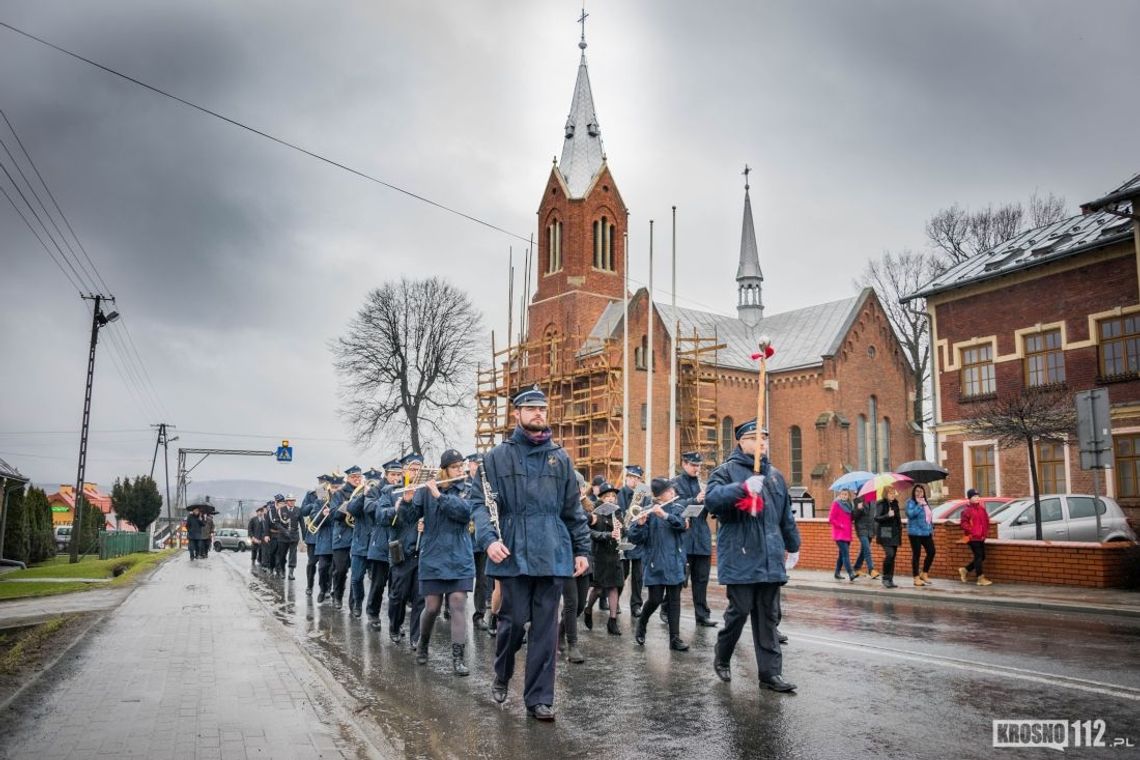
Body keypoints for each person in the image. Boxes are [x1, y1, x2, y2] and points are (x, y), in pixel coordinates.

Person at [469, 384, 590, 722]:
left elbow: (573, 510)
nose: (539, 413)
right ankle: (502, 672)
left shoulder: (561, 458)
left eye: (543, 408)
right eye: (531, 408)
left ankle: (539, 699)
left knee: (546, 631)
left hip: (552, 553)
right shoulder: (496, 457)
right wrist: (489, 539)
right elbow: (479, 504)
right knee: (512, 624)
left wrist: (582, 549)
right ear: (517, 414)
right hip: (513, 553)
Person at [705, 419, 801, 693]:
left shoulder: (775, 476)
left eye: (765, 438)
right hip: (741, 555)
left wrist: (793, 546)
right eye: (755, 438)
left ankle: (770, 675)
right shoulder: (725, 472)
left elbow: (785, 516)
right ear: (741, 442)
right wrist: (743, 489)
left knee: (768, 617)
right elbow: (712, 500)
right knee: (739, 612)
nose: (762, 443)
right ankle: (722, 656)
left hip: (770, 558)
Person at [400, 450, 494, 676]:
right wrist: (407, 501)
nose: (460, 470)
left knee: (458, 604)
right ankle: (422, 643)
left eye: (461, 466)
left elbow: (463, 514)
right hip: (433, 556)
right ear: (444, 470)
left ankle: (458, 658)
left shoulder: (468, 489)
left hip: (459, 557)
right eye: (454, 467)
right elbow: (408, 519)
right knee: (431, 607)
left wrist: (439, 496)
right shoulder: (426, 490)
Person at [629, 478, 689, 651]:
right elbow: (635, 539)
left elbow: (682, 526)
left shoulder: (677, 508)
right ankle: (642, 623)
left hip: (675, 560)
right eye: (670, 490)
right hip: (655, 562)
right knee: (655, 599)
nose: (673, 492)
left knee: (674, 600)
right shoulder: (648, 512)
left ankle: (674, 638)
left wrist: (666, 516)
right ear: (662, 495)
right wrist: (640, 525)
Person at [381, 453, 426, 647]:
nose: (416, 472)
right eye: (412, 468)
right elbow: (380, 517)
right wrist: (397, 508)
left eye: (419, 469)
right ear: (404, 470)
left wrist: (427, 524)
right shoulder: (392, 492)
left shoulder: (426, 491)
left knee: (420, 598)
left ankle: (416, 636)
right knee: (398, 596)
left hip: (423, 552)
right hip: (401, 552)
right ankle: (395, 626)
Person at [673, 451, 716, 626]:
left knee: (701, 579)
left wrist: (712, 500)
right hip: (684, 538)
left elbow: (709, 510)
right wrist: (696, 499)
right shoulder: (675, 483)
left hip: (702, 538)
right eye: (693, 465)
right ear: (684, 464)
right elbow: (675, 507)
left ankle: (702, 615)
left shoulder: (702, 484)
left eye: (698, 465)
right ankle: (667, 609)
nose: (696, 469)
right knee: (678, 579)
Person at [364, 460, 401, 630]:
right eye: (392, 474)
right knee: (378, 583)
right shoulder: (376, 490)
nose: (396, 478)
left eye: (398, 474)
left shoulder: (402, 488)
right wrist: (388, 503)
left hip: (397, 542)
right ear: (386, 475)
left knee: (396, 585)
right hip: (380, 541)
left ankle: (395, 622)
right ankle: (373, 614)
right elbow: (369, 507)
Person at [583, 483, 623, 636]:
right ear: (601, 498)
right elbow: (590, 533)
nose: (611, 499)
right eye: (608, 496)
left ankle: (612, 621)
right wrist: (608, 535)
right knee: (598, 588)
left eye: (613, 496)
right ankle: (588, 609)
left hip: (614, 554)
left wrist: (621, 528)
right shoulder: (594, 511)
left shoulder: (617, 512)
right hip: (600, 555)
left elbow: (623, 530)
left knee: (614, 587)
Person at [346, 470, 381, 618]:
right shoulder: (360, 495)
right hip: (360, 544)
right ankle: (357, 602)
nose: (373, 484)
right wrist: (363, 496)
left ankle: (372, 610)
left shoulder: (382, 496)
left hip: (376, 544)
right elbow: (351, 509)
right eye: (370, 480)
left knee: (377, 582)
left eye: (375, 481)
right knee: (356, 578)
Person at [465, 453, 491, 632]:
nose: (477, 467)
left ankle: (479, 615)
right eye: (474, 464)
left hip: (481, 539)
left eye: (480, 464)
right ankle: (448, 606)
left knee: (483, 579)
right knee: (461, 577)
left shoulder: (487, 484)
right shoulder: (461, 484)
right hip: (464, 538)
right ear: (469, 465)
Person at [329, 467, 361, 609]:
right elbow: (334, 515)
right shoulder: (339, 493)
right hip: (342, 536)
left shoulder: (363, 493)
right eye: (353, 476)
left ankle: (353, 603)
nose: (357, 479)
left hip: (358, 536)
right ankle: (337, 595)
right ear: (348, 478)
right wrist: (349, 504)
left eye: (359, 477)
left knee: (357, 573)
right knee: (340, 570)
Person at [618, 465, 647, 618]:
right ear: (627, 478)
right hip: (623, 539)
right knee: (621, 574)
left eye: (636, 478)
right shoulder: (619, 494)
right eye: (631, 477)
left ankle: (636, 605)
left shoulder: (643, 495)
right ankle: (614, 601)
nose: (634, 480)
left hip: (638, 539)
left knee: (638, 576)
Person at [306, 475, 339, 602]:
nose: (335, 489)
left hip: (338, 536)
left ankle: (331, 590)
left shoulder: (342, 497)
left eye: (337, 487)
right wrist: (322, 514)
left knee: (336, 568)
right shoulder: (321, 497)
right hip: (325, 536)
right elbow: (313, 515)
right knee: (323, 567)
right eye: (333, 486)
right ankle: (322, 588)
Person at [959, 489, 992, 586]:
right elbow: (963, 524)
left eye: (978, 496)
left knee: (982, 557)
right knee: (978, 556)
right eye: (974, 496)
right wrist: (972, 531)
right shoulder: (966, 510)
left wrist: (985, 532)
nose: (977, 498)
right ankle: (980, 578)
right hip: (972, 538)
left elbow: (986, 521)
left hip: (981, 537)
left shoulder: (981, 509)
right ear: (969, 498)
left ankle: (965, 570)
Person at [299, 479, 325, 594]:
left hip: (326, 534)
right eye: (321, 483)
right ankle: (309, 586)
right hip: (313, 535)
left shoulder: (332, 495)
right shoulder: (310, 495)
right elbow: (303, 511)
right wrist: (315, 503)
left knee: (326, 565)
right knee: (312, 562)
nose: (322, 485)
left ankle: (325, 588)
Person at [906, 484, 936, 587]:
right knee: (916, 555)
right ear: (914, 493)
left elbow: (929, 517)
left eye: (921, 491)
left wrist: (931, 529)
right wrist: (918, 505)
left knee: (932, 552)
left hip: (926, 532)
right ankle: (916, 578)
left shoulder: (926, 503)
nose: (919, 493)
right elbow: (910, 514)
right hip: (915, 533)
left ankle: (924, 573)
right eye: (917, 491)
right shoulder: (910, 502)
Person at [875, 486, 903, 589]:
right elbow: (877, 517)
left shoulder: (895, 503)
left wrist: (900, 528)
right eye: (890, 493)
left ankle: (890, 579)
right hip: (885, 532)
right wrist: (887, 515)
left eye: (893, 493)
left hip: (895, 533)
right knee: (890, 554)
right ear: (886, 494)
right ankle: (885, 578)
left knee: (893, 556)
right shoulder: (881, 503)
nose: (892, 495)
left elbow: (898, 518)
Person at [829, 489, 856, 581]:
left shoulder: (850, 505)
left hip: (847, 534)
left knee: (841, 554)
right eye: (842, 494)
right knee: (845, 554)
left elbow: (851, 519)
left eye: (846, 494)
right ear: (840, 495)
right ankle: (851, 573)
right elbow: (831, 519)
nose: (844, 496)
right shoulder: (836, 504)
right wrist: (840, 525)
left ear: (848, 496)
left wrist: (856, 510)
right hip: (839, 534)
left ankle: (837, 573)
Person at [851, 489, 878, 579]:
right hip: (861, 528)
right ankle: (871, 569)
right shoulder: (858, 500)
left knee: (863, 550)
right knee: (867, 548)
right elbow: (853, 516)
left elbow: (873, 516)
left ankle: (857, 567)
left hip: (870, 529)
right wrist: (858, 509)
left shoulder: (874, 501)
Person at [276, 495, 300, 579]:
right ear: (286, 501)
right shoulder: (281, 510)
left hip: (294, 535)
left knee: (293, 555)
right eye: (290, 500)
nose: (292, 502)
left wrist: (305, 536)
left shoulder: (298, 509)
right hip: (283, 536)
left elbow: (302, 524)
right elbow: (277, 523)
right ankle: (282, 571)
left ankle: (291, 573)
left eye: (293, 500)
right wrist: (284, 531)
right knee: (282, 555)